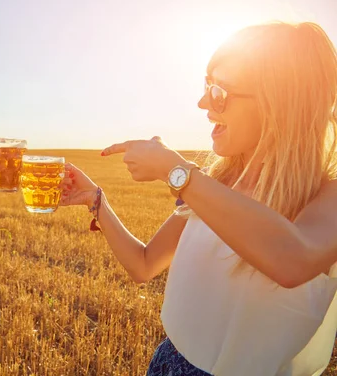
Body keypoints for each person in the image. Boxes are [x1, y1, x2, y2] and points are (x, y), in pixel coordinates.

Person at [60, 21, 337, 375]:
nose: (203, 102)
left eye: (220, 92)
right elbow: (143, 264)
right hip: (168, 364)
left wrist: (176, 171)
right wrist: (96, 201)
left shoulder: (328, 197)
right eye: (207, 86)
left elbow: (292, 260)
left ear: (279, 102)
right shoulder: (215, 184)